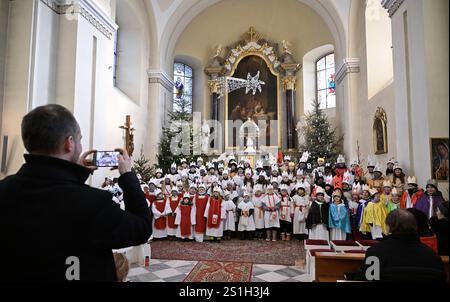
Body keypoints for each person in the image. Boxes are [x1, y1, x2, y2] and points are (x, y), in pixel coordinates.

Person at [0, 104, 152, 281]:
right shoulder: (95, 203)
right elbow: (141, 227)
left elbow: (56, 198)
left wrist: (74, 176)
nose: (80, 145)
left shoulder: (4, 190)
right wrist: (127, 175)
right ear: (69, 143)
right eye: (79, 139)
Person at [357, 209, 445, 282]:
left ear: (388, 228)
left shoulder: (375, 252)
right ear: (415, 227)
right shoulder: (432, 255)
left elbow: (367, 280)